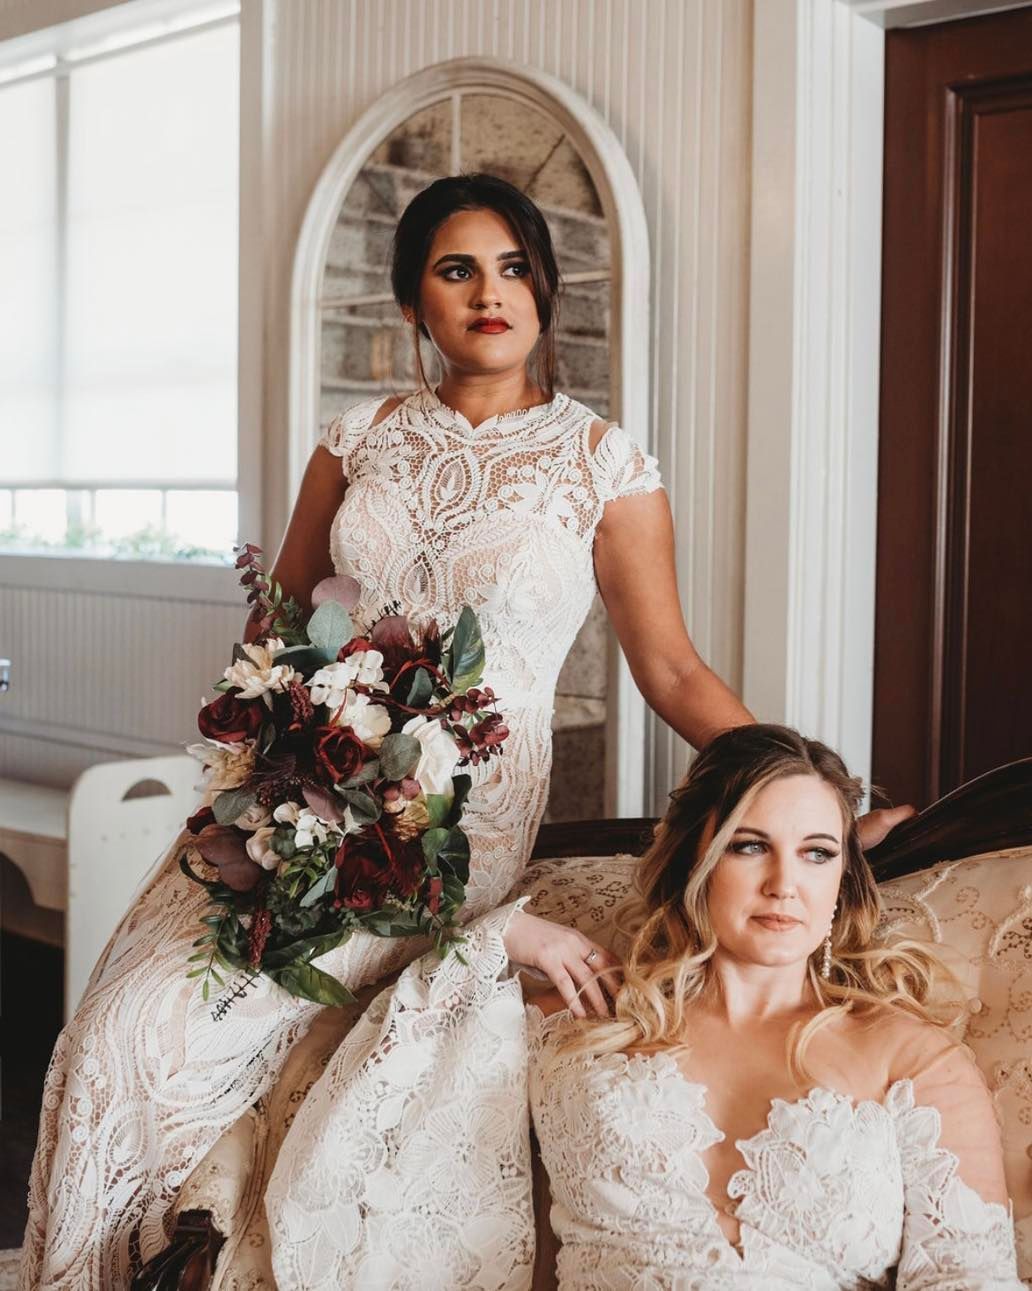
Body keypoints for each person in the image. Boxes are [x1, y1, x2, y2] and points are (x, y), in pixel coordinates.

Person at [17, 176, 907, 1288]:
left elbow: (673, 670)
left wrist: (819, 799)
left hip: (450, 832)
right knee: (111, 1035)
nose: (491, 293)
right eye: (457, 270)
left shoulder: (603, 467)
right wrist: (274, 769)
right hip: (301, 796)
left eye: (513, 268)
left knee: (158, 1041)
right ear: (413, 304)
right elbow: (277, 625)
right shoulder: (358, 440)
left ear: (544, 292)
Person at [528, 724, 1022, 1288]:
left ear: (842, 879)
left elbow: (968, 1279)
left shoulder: (911, 1058)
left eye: (817, 853)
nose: (784, 884)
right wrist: (516, 933)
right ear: (693, 858)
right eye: (750, 846)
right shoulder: (582, 1019)